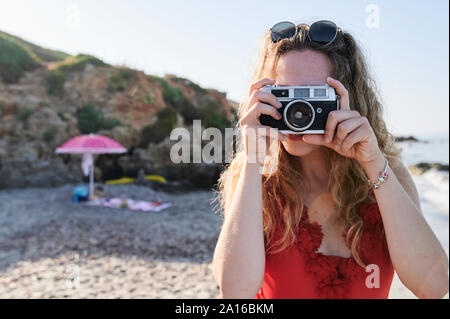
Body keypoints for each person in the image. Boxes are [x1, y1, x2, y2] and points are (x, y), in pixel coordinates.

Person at [212, 21, 449, 299]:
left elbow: (434, 287)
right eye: (285, 95)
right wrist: (253, 158)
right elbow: (234, 294)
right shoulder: (255, 179)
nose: (298, 113)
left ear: (347, 99)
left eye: (313, 96)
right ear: (263, 96)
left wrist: (373, 162)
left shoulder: (386, 174)